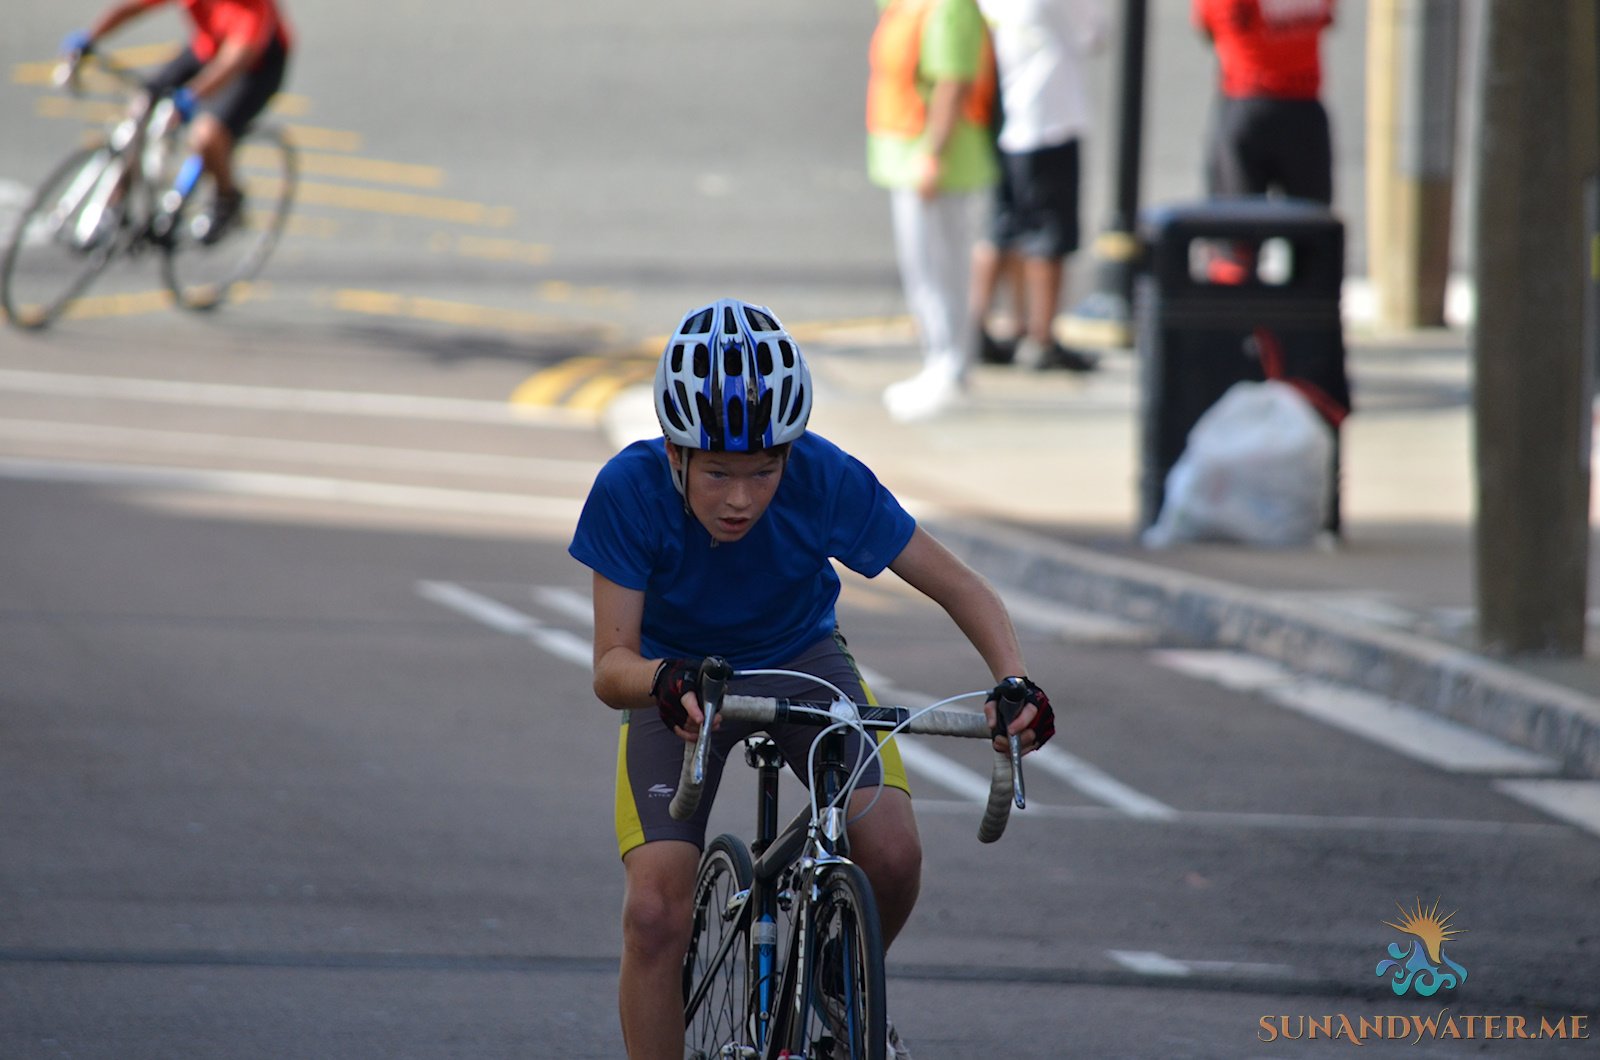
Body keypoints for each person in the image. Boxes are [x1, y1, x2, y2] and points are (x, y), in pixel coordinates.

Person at [569, 298, 1056, 1060]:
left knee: (892, 853)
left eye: (764, 472)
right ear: (674, 454)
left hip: (800, 656)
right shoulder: (627, 490)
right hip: (676, 677)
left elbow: (962, 586)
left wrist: (1014, 682)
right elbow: (610, 668)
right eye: (719, 472)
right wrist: (664, 681)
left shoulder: (823, 476)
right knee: (656, 913)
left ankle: (838, 975)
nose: (741, 499)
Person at [62, 0, 294, 244]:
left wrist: (193, 95)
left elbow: (236, 59)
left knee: (207, 135)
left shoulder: (253, 8)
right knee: (142, 108)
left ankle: (228, 200)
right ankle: (115, 202)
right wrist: (91, 37)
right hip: (209, 47)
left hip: (255, 69)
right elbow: (133, 7)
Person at [867, 0, 1000, 422]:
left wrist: (933, 154)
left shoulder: (950, 7)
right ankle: (940, 363)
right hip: (908, 154)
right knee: (925, 271)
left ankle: (949, 368)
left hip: (936, 162)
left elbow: (954, 81)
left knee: (941, 273)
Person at [970, 0, 1107, 374]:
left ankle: (985, 325)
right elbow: (1094, 34)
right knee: (1050, 236)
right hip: (1051, 118)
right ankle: (1041, 338)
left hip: (1008, 115)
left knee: (1002, 227)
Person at [1193, 0, 1336, 280]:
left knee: (1235, 241)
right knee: (1313, 240)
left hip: (1245, 101)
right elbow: (1326, 19)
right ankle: (1304, 319)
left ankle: (1237, 316)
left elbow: (1207, 28)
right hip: (1304, 108)